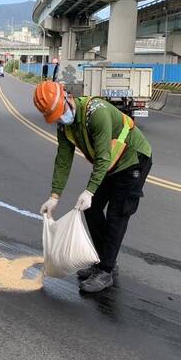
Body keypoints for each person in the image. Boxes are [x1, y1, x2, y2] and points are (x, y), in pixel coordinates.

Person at [33, 80, 152, 293]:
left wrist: (89, 191)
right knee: (93, 208)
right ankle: (103, 260)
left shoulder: (97, 113)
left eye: (60, 113)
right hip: (111, 164)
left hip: (133, 158)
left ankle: (106, 270)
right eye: (55, 118)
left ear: (68, 98)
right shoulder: (65, 126)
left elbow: (104, 157)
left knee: (117, 213)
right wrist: (54, 196)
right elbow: (63, 158)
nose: (60, 119)